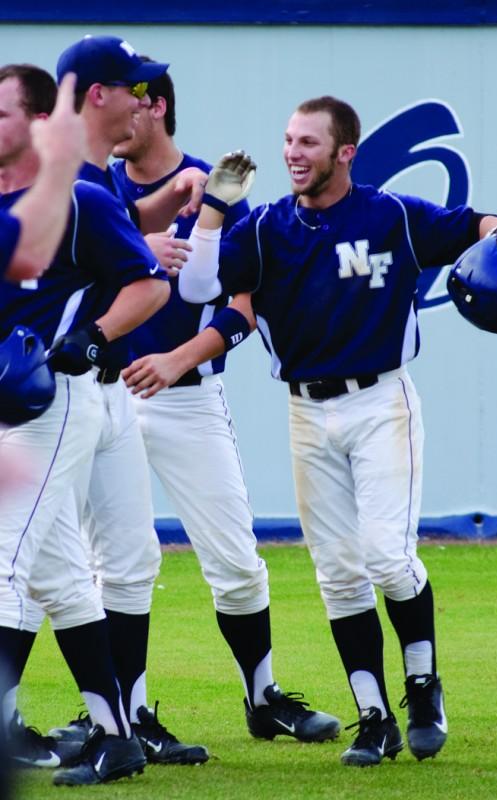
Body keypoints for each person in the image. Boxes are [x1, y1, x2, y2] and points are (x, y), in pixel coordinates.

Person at [126, 96, 497, 767]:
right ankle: (374, 717)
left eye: (309, 143)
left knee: (387, 557)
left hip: (381, 401)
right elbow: (199, 288)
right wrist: (214, 212)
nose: (293, 153)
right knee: (339, 576)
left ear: (345, 152)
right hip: (306, 409)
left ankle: (423, 682)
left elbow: (470, 224)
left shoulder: (391, 214)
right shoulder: (263, 229)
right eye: (289, 140)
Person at [107, 63, 340, 746]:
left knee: (237, 562)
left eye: (127, 102)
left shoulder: (217, 188)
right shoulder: (96, 185)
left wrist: (179, 357)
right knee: (115, 564)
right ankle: (128, 716)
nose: (115, 116)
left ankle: (262, 698)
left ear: (155, 109)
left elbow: (243, 310)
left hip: (187, 401)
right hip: (107, 399)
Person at [33, 35, 211, 774]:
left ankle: (123, 726)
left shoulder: (96, 174)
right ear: (95, 94)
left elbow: (92, 243)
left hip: (96, 389)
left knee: (123, 559)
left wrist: (148, 218)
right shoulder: (57, 167)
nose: (147, 100)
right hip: (45, 386)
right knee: (31, 563)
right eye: (133, 86)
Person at [0, 62, 170, 786]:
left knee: (3, 561)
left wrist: (94, 335)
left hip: (54, 403)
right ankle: (115, 736)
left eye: (1, 111)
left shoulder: (84, 200)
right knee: (64, 578)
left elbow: (150, 282)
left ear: (41, 122)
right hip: (5, 407)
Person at [0, 68, 85, 283]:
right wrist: (63, 159)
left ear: (41, 124)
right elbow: (25, 256)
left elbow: (148, 286)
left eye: (0, 116)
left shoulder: (82, 201)